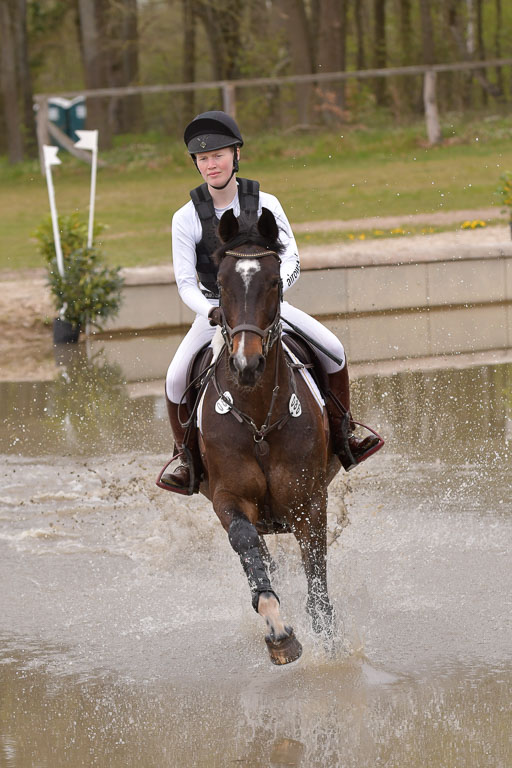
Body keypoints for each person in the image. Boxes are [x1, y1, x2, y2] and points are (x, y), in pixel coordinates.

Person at [160, 110, 380, 494]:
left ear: (236, 155)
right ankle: (186, 458)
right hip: (216, 312)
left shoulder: (267, 203)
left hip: (267, 308)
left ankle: (344, 433)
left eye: (218, 155)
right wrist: (211, 311)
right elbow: (185, 283)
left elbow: (292, 258)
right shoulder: (185, 217)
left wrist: (277, 292)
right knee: (175, 378)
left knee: (333, 350)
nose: (211, 164)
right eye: (203, 158)